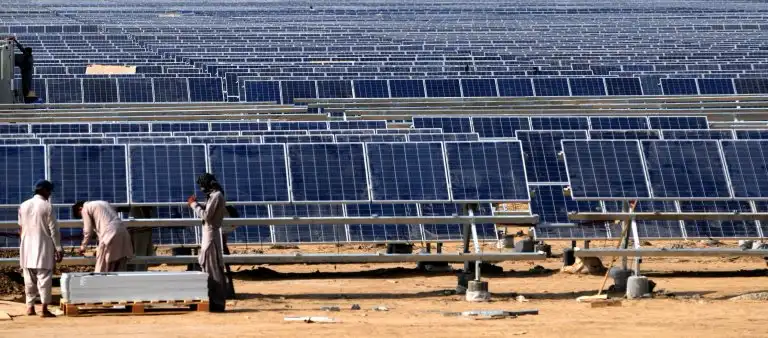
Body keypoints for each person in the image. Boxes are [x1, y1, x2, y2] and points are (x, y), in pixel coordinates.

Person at [18, 180, 61, 318]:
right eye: (49, 191)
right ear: (44, 191)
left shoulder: (23, 205)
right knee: (44, 277)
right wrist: (58, 248)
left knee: (28, 279)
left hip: (26, 246)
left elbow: (20, 228)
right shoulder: (47, 206)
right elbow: (53, 230)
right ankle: (44, 308)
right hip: (42, 246)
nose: (49, 194)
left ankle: (30, 307)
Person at [187, 173, 227, 312]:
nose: (201, 188)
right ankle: (211, 301)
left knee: (213, 271)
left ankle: (217, 303)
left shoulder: (217, 196)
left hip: (211, 240)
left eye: (202, 185)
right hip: (208, 237)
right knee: (208, 270)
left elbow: (207, 216)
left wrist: (193, 205)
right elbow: (209, 209)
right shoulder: (214, 196)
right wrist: (197, 203)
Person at [73, 200, 133, 272]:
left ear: (80, 208)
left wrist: (83, 246)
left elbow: (88, 231)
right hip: (123, 233)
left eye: (81, 216)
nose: (82, 218)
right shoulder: (104, 203)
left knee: (102, 268)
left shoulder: (85, 209)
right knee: (119, 268)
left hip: (110, 235)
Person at [6, 36, 35, 102]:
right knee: (26, 89)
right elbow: (22, 50)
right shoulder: (29, 56)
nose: (23, 53)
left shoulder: (29, 59)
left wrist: (15, 41)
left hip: (27, 76)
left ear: (28, 52)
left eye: (25, 52)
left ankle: (30, 102)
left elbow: (22, 49)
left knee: (27, 89)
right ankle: (28, 102)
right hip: (26, 75)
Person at [127, 206, 156, 272]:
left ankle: (139, 273)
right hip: (139, 226)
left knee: (140, 254)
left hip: (141, 226)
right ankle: (139, 273)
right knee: (139, 253)